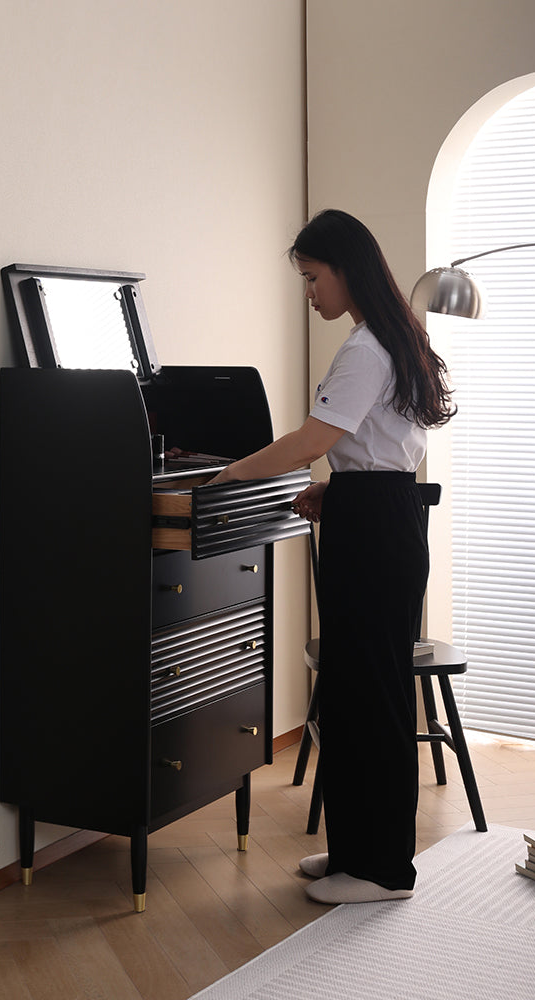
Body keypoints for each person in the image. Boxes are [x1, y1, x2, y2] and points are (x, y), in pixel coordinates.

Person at [209, 209, 455, 904]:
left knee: (372, 698)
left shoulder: (366, 349)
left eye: (313, 278)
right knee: (352, 692)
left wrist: (229, 475)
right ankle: (354, 852)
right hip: (374, 514)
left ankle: (383, 871)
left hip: (374, 529)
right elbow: (370, 448)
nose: (310, 292)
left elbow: (311, 437)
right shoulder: (384, 339)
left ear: (344, 270)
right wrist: (334, 491)